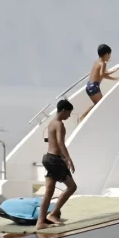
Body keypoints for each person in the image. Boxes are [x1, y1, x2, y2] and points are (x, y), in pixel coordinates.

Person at [36, 99, 77, 230]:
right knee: (72, 187)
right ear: (63, 110)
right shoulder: (59, 124)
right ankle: (53, 214)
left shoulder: (51, 122)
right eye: (69, 113)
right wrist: (68, 158)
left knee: (49, 191)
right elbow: (60, 142)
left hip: (48, 158)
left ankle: (40, 222)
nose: (69, 116)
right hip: (54, 160)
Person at [79, 44, 119, 122]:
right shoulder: (103, 63)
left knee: (97, 104)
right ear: (106, 54)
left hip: (89, 86)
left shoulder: (97, 62)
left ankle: (83, 116)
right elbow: (103, 75)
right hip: (94, 87)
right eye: (109, 55)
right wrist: (115, 78)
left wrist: (113, 71)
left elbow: (102, 74)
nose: (110, 57)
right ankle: (83, 116)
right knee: (101, 104)